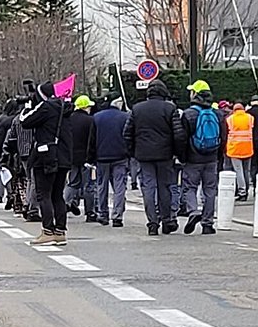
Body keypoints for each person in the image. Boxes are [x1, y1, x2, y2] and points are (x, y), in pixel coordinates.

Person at [124, 79, 187, 236]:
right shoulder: (170, 108)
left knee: (148, 188)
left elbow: (127, 134)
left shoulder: (137, 109)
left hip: (143, 155)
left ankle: (152, 222)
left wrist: (133, 152)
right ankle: (166, 220)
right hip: (165, 155)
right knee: (164, 188)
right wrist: (178, 153)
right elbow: (178, 134)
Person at [22, 82, 71, 246]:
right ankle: (60, 231)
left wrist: (28, 106)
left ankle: (47, 231)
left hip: (46, 156)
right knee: (58, 195)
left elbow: (25, 121)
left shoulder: (45, 107)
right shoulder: (65, 108)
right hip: (64, 156)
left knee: (44, 194)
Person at [179, 85, 224, 236]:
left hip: (193, 158)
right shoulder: (218, 114)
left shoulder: (189, 114)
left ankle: (193, 211)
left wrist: (182, 157)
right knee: (210, 190)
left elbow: (182, 139)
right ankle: (207, 223)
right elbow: (223, 137)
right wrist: (219, 157)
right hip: (211, 158)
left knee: (190, 187)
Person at [93, 98, 130, 227]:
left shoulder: (96, 117)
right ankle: (117, 216)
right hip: (120, 156)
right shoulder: (125, 117)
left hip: (101, 156)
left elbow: (92, 139)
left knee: (102, 186)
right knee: (120, 186)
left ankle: (103, 213)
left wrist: (92, 156)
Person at [64, 95, 98, 222]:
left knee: (72, 183)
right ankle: (90, 212)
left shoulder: (68, 120)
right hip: (86, 158)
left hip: (71, 157)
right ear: (85, 107)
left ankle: (65, 204)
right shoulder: (90, 120)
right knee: (88, 185)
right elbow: (92, 140)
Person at [226, 102, 254, 203]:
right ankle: (246, 189)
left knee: (239, 171)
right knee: (247, 171)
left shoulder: (230, 119)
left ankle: (242, 192)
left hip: (235, 148)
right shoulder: (250, 118)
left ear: (234, 110)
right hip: (248, 147)